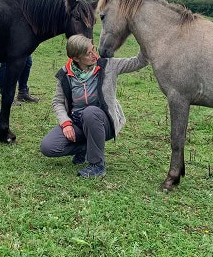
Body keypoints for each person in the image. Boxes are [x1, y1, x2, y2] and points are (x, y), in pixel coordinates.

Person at [40, 35, 148, 178]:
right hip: (77, 122)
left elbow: (139, 62)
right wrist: (66, 124)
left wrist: (144, 39)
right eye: (88, 53)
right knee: (48, 147)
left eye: (93, 50)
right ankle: (86, 148)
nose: (94, 55)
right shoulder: (65, 74)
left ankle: (97, 165)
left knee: (90, 112)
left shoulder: (108, 65)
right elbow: (58, 102)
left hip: (103, 123)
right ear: (76, 58)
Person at [0, 0, 39, 103]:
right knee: (6, 63)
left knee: (27, 62)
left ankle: (22, 91)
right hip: (6, 33)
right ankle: (5, 93)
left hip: (18, 36)